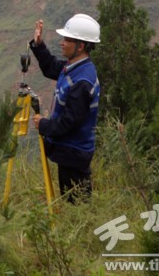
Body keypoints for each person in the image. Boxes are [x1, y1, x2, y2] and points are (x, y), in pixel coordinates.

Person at [29, 14, 101, 202]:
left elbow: (70, 122)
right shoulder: (74, 68)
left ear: (81, 46)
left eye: (67, 39)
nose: (62, 43)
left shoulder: (83, 81)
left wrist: (43, 125)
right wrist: (39, 45)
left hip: (74, 154)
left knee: (77, 205)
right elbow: (51, 68)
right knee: (73, 202)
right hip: (70, 152)